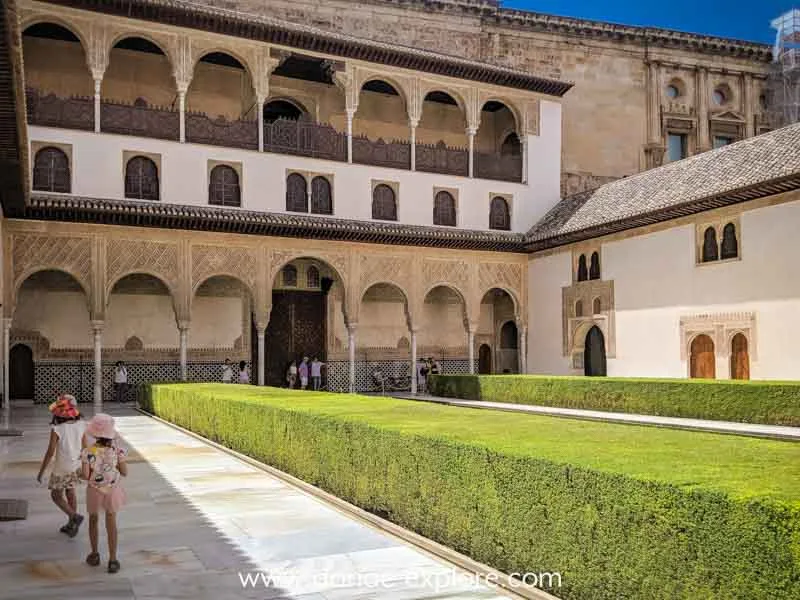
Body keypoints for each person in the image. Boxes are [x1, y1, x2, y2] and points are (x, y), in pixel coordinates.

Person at [81, 413, 127, 574]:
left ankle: (94, 554)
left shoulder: (88, 452)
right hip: (112, 490)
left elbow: (85, 475)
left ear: (94, 433)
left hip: (94, 490)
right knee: (111, 521)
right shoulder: (117, 450)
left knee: (93, 519)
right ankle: (113, 560)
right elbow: (125, 472)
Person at [37, 394, 86, 537]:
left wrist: (41, 471)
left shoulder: (57, 428)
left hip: (62, 467)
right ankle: (72, 525)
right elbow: (85, 448)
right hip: (75, 464)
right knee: (70, 491)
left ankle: (74, 517)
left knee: (56, 495)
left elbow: (50, 452)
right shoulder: (81, 425)